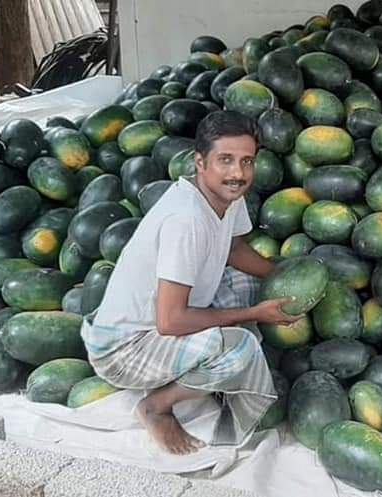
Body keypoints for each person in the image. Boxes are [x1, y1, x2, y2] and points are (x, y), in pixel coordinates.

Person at [80, 110, 300, 455]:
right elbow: (171, 322)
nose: (238, 173)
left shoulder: (228, 195)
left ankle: (204, 370)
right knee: (242, 349)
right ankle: (157, 406)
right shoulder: (186, 220)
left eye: (247, 161)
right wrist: (253, 312)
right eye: (225, 160)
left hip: (162, 323)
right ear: (200, 162)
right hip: (124, 349)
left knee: (245, 283)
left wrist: (284, 275)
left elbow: (234, 248)